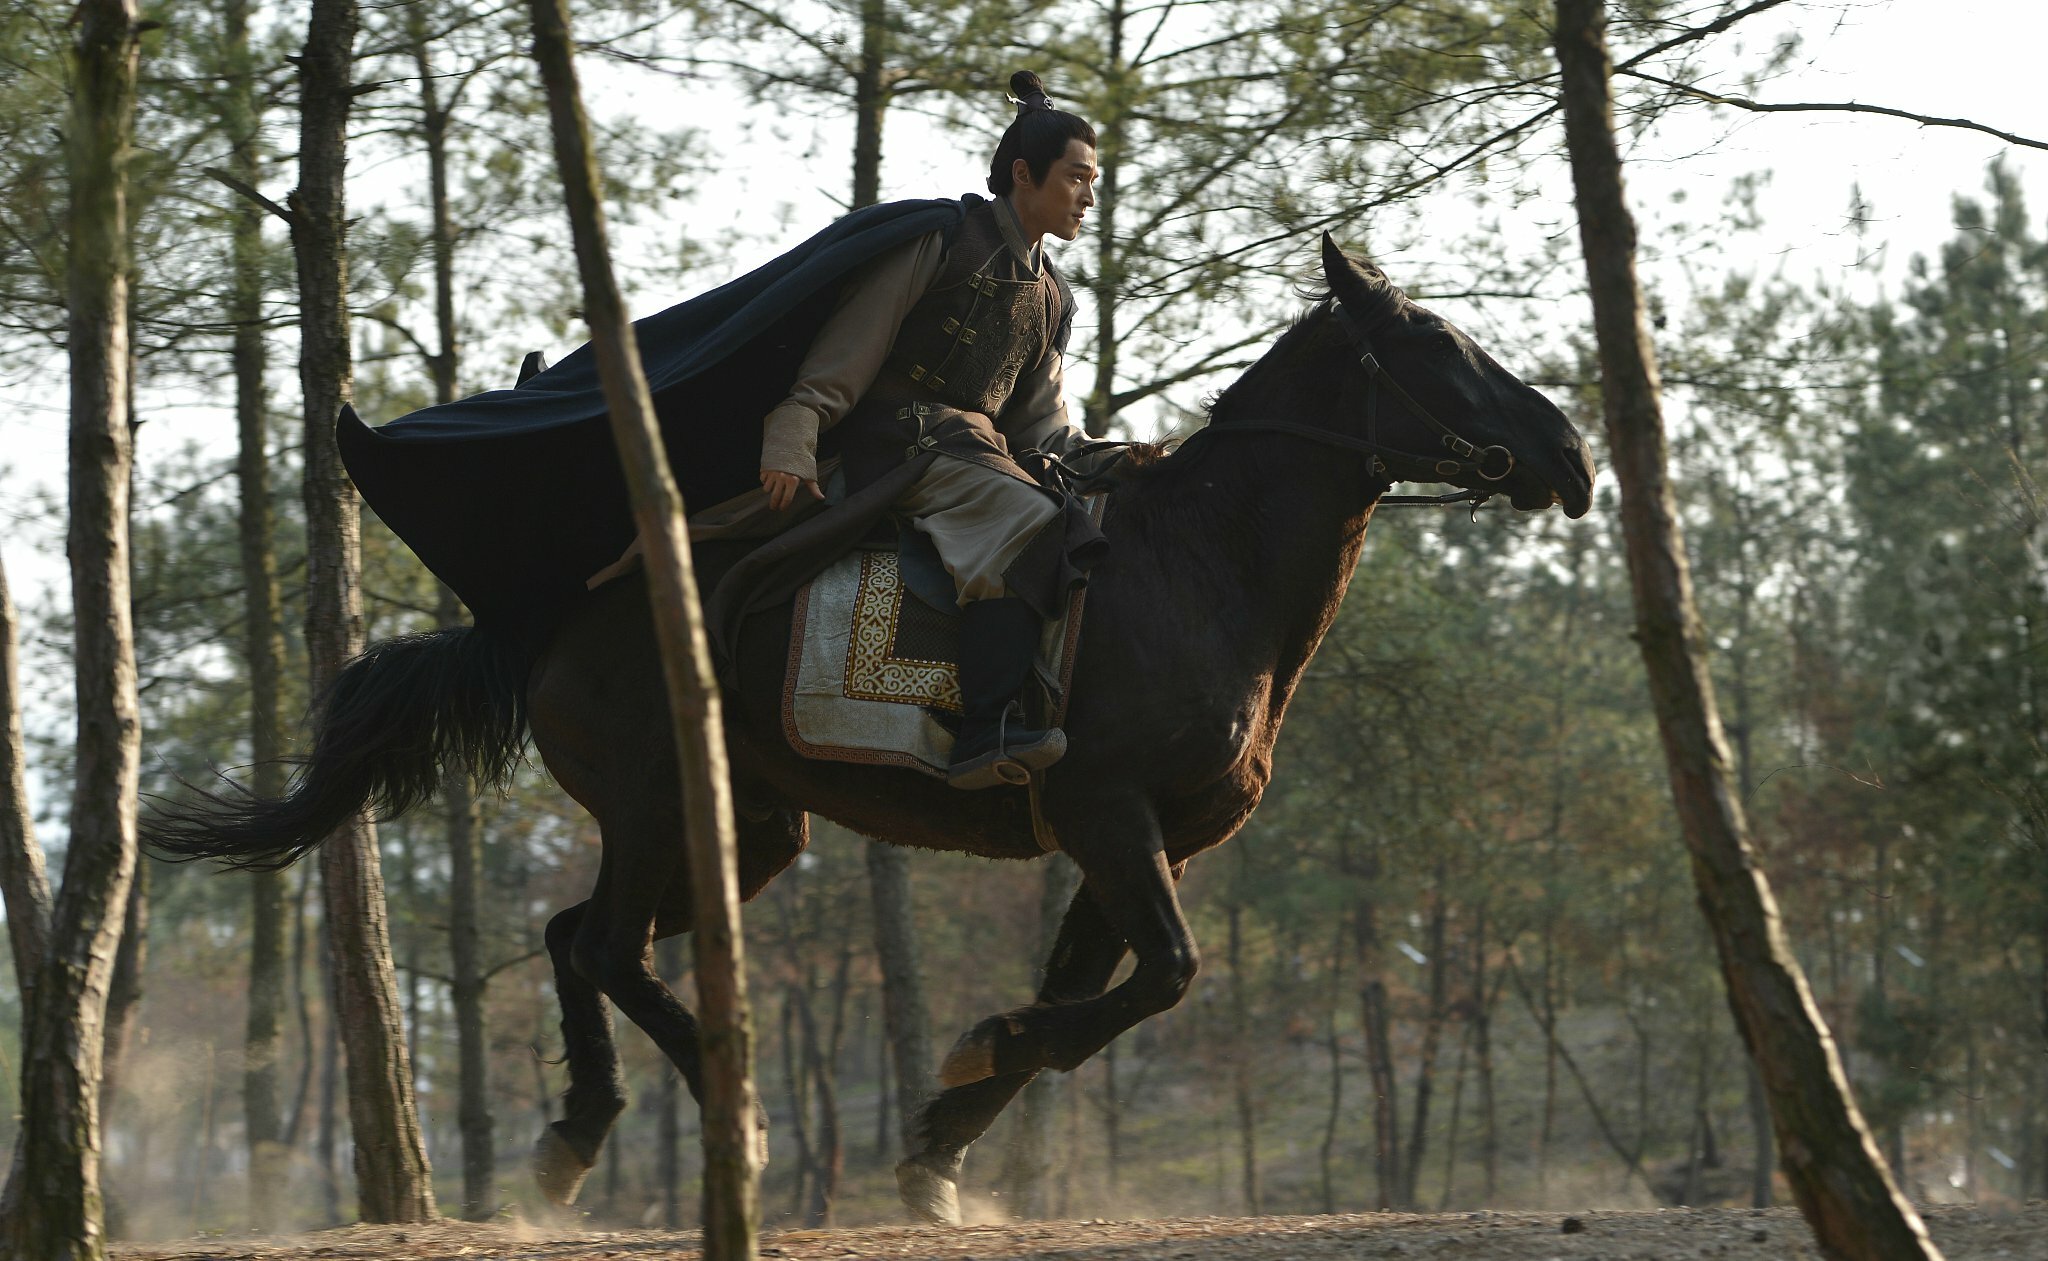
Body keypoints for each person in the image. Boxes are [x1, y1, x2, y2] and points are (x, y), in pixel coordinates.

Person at [754, 70, 1101, 789]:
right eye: (1076, 178)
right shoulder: (943, 238)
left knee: (1070, 508)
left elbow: (1044, 430)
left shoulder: (1053, 296)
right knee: (1028, 516)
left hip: (974, 452)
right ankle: (985, 731)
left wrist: (1123, 462)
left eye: (1094, 181)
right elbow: (846, 355)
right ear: (1023, 174)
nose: (1089, 197)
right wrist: (795, 432)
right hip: (897, 443)